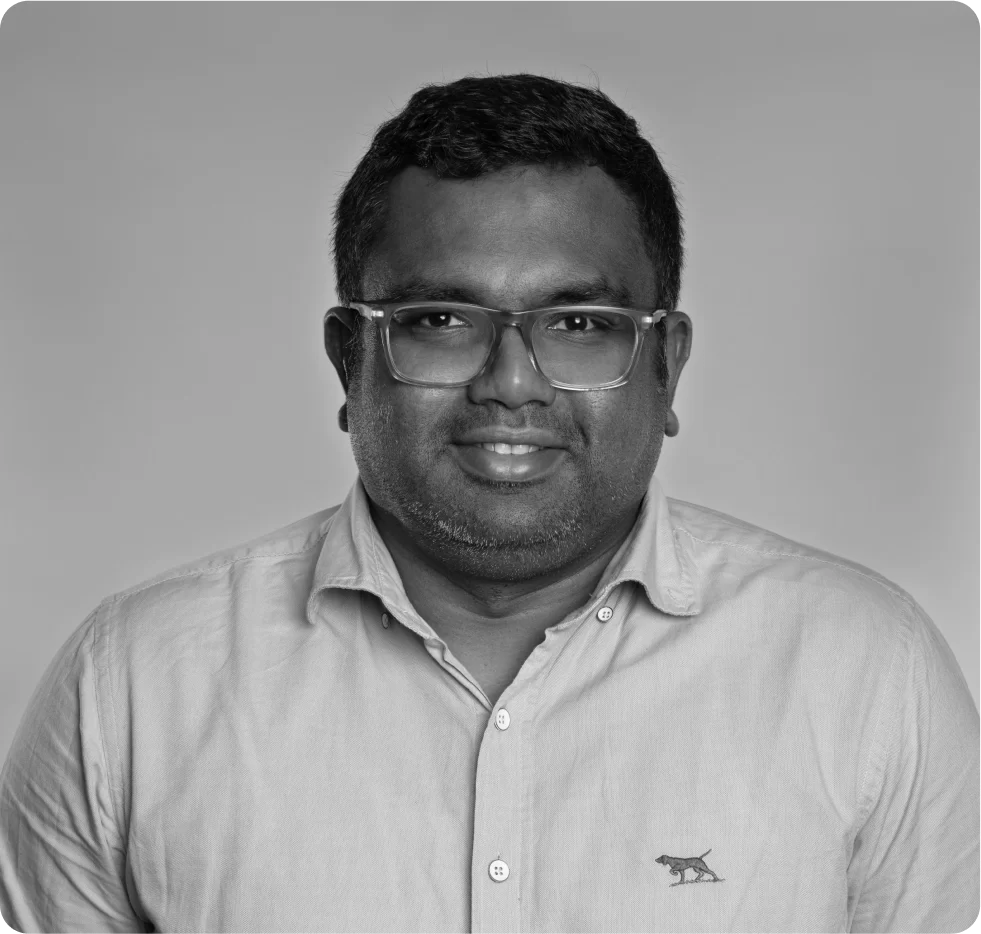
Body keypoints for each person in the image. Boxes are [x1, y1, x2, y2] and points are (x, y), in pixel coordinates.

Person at [0, 73, 978, 934]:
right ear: (351, 358)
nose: (511, 382)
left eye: (581, 323)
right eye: (440, 320)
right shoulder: (133, 688)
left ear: (667, 365)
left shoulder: (864, 675)